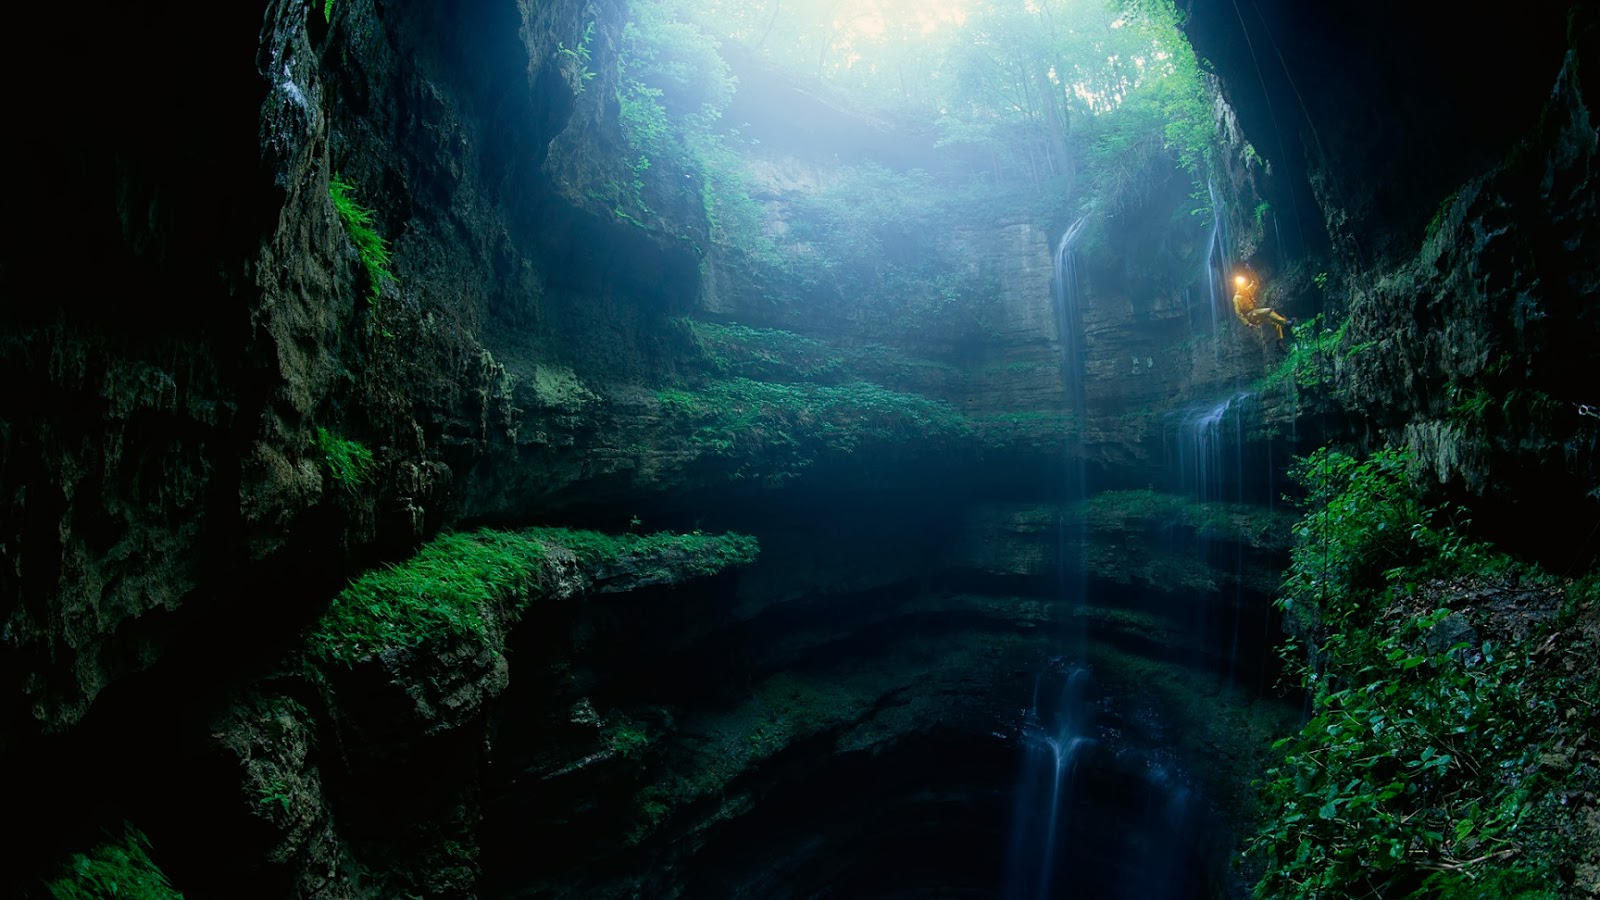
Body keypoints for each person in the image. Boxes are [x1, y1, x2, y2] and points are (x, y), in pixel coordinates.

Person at [1231, 273, 1290, 340]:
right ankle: (1286, 323)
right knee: (1268, 311)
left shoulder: (1247, 291)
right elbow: (1239, 313)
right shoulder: (1236, 298)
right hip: (1250, 315)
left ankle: (1279, 342)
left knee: (1275, 322)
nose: (1242, 286)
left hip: (1255, 313)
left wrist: (1250, 270)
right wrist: (1247, 324)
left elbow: (1255, 282)